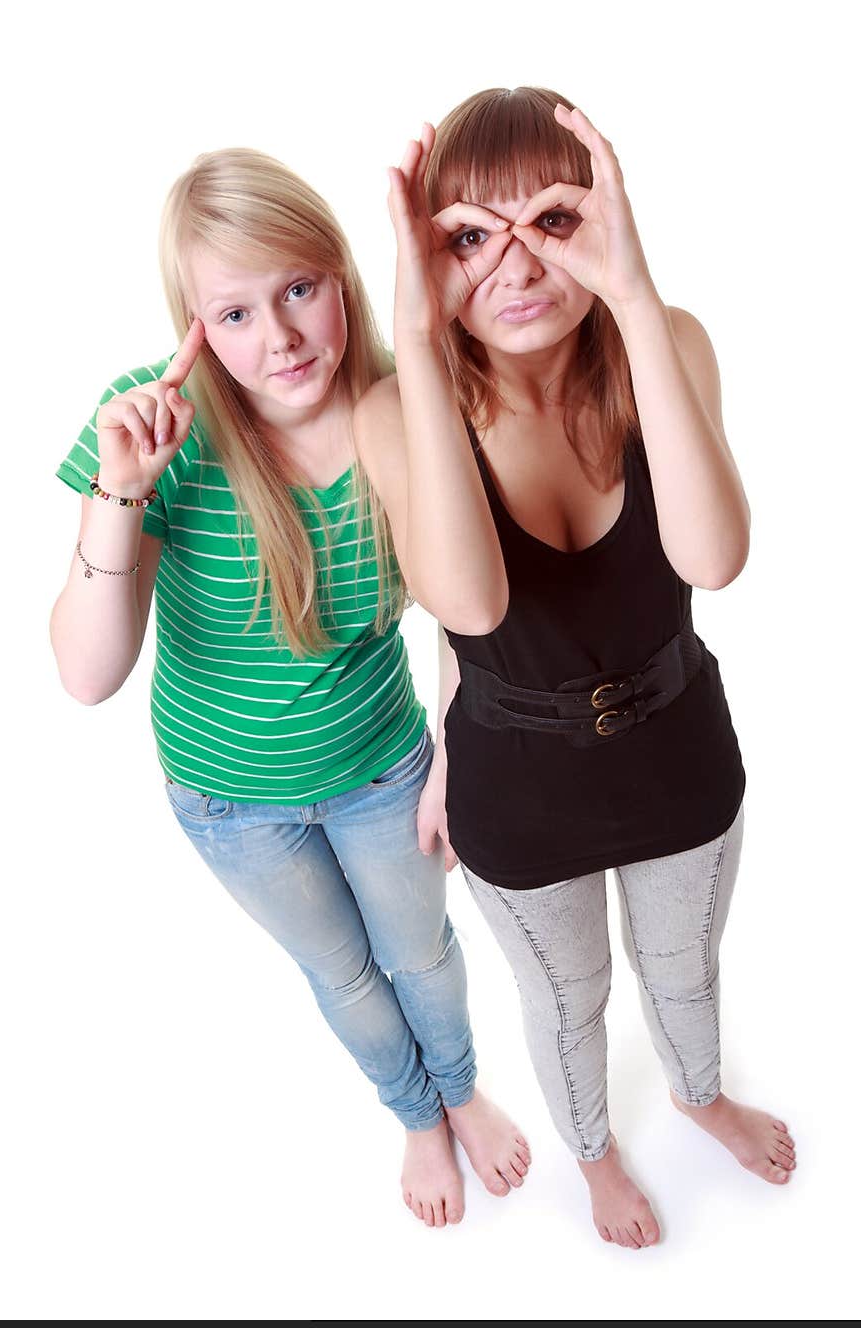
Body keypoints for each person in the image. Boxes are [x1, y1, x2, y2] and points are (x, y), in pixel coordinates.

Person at [50, 147, 530, 1230]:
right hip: (231, 799)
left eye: (299, 289)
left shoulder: (413, 415)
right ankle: (415, 1113)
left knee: (423, 953)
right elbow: (87, 675)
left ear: (341, 277)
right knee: (348, 976)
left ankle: (461, 1089)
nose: (277, 339)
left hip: (384, 769)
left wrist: (456, 751)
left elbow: (465, 603)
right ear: (192, 326)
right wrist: (117, 495)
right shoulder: (153, 434)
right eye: (232, 313)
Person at [353, 87, 796, 1249]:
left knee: (684, 974)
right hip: (520, 786)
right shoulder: (400, 405)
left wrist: (633, 291)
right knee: (568, 1004)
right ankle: (593, 1153)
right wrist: (411, 330)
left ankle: (697, 1095)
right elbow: (467, 605)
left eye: (549, 221)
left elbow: (714, 555)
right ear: (427, 257)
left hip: (677, 759)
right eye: (466, 237)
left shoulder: (670, 338)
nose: (512, 263)